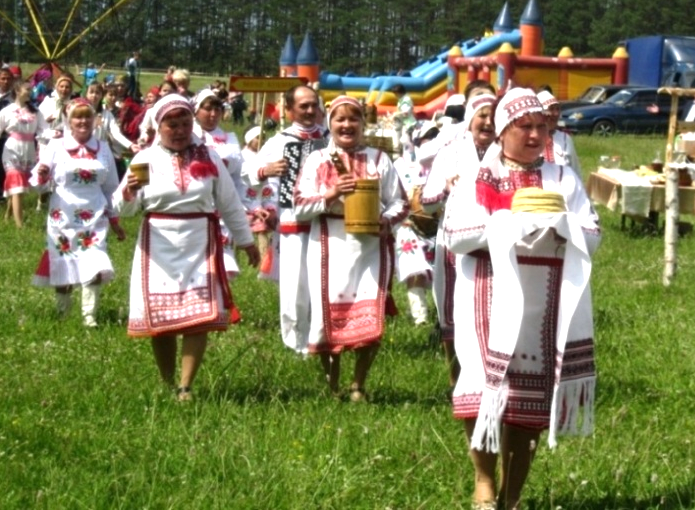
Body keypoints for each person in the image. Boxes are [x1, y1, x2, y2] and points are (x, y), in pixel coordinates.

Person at [441, 87, 601, 510]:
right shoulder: (479, 177)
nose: (535, 135)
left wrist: (558, 226)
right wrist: (511, 222)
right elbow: (456, 236)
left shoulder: (562, 178)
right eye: (524, 126)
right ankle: (483, 482)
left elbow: (593, 234)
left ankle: (512, 498)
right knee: (481, 395)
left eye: (540, 126)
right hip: (485, 299)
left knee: (528, 401)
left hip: (543, 303)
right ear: (502, 130)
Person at [112, 94, 260, 401]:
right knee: (162, 321)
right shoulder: (145, 160)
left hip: (199, 241)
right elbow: (123, 210)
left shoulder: (208, 156)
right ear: (158, 125)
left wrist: (246, 242)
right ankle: (167, 382)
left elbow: (229, 202)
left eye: (184, 123)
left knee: (199, 317)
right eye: (171, 124)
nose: (179, 130)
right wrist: (128, 192)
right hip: (158, 244)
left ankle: (185, 386)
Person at [294, 95, 408, 400]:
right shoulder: (317, 160)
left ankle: (358, 384)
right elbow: (299, 206)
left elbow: (400, 201)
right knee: (327, 317)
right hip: (329, 244)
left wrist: (384, 220)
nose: (347, 125)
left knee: (370, 316)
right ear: (329, 123)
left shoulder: (379, 159)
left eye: (353, 118)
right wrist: (331, 194)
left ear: (363, 123)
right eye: (340, 119)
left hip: (370, 246)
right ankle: (332, 386)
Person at [242, 84, 329, 354]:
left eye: (314, 105)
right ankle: (295, 343)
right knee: (294, 286)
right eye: (303, 106)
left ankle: (322, 338)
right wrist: (265, 170)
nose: (310, 110)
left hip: (327, 221)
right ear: (289, 110)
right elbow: (247, 172)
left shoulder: (330, 137)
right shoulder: (280, 141)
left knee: (323, 283)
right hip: (293, 222)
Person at [422, 93, 497, 389]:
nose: (488, 123)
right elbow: (426, 202)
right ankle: (457, 381)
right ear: (470, 119)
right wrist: (446, 188)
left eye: (493, 117)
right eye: (482, 116)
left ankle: (490, 378)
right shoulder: (450, 152)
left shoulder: (508, 153)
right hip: (453, 245)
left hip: (496, 246)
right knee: (451, 314)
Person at [30, 98, 125, 326]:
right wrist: (42, 174)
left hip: (94, 216)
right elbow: (38, 183)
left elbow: (111, 186)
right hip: (62, 217)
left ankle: (89, 318)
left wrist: (114, 219)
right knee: (64, 263)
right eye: (77, 117)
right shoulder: (55, 146)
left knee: (95, 263)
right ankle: (62, 315)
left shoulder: (103, 150)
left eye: (87, 116)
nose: (83, 121)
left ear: (95, 120)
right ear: (69, 121)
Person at [192, 89, 247, 284]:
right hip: (197, 204)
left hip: (223, 205)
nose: (213, 114)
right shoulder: (189, 136)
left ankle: (220, 308)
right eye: (208, 109)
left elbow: (239, 177)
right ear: (196, 111)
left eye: (217, 109)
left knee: (222, 260)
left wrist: (247, 206)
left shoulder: (230, 138)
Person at [392, 121, 440, 325]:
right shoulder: (400, 165)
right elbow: (392, 195)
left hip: (437, 226)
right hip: (408, 225)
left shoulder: (444, 163)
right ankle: (420, 317)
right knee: (414, 269)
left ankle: (443, 317)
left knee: (443, 272)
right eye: (426, 137)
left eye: (434, 136)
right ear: (416, 140)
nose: (431, 141)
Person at [1, 81, 49, 226]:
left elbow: (44, 130)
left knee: (19, 186)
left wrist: (57, 134)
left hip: (29, 151)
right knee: (17, 182)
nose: (30, 91)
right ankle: (20, 226)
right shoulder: (6, 111)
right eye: (27, 89)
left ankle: (7, 216)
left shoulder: (35, 111)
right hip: (11, 150)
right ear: (17, 90)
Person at [85, 82, 140, 180]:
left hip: (100, 152)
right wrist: (93, 125)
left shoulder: (107, 114)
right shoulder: (81, 111)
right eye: (91, 92)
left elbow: (116, 133)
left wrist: (130, 145)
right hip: (84, 150)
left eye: (97, 93)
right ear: (86, 94)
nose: (94, 95)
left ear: (102, 95)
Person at [240, 125, 276, 265]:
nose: (261, 141)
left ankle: (264, 261)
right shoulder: (242, 156)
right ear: (249, 140)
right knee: (241, 230)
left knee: (262, 229)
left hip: (262, 198)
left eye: (263, 138)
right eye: (257, 138)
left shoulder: (265, 156)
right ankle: (238, 256)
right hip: (246, 198)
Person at [536, 90, 582, 173]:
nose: (556, 113)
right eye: (551, 109)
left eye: (558, 109)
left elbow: (575, 170)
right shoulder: (531, 139)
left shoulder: (565, 139)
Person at [0, 67, 16, 193]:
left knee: (4, 165)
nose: (5, 81)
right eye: (3, 78)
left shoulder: (15, 98)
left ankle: (3, 192)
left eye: (8, 79)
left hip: (7, 136)